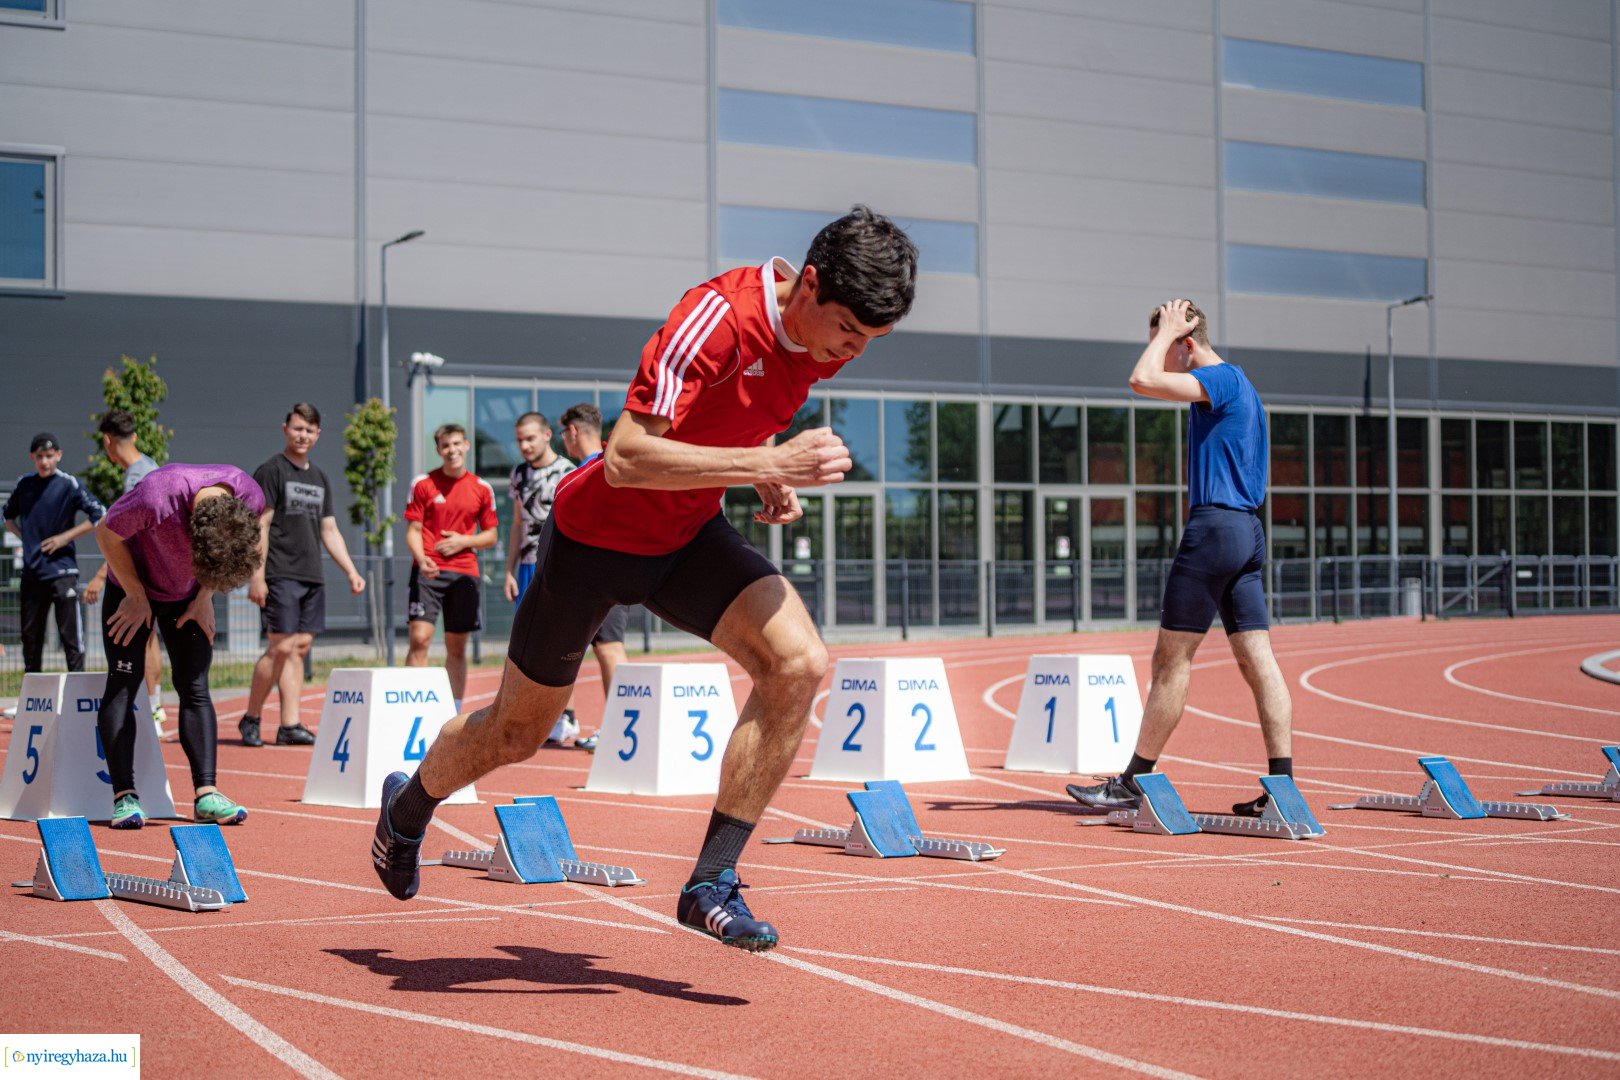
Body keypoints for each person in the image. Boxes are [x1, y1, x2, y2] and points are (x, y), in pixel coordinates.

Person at [370, 206, 917, 953]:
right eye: (851, 333)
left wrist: (761, 470)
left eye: (871, 343)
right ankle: (407, 807)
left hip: (687, 535)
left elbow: (733, 418)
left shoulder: (820, 343)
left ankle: (710, 884)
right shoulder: (717, 317)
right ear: (810, 286)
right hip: (593, 540)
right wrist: (768, 463)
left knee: (799, 663)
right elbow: (626, 456)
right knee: (516, 733)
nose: (852, 354)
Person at [1067, 299, 1295, 817]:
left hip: (1215, 528)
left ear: (1187, 342)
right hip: (1247, 531)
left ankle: (1132, 781)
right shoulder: (1241, 387)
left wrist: (1166, 331)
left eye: (1169, 346)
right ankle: (1283, 787)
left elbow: (1141, 381)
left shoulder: (1220, 380)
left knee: (1171, 660)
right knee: (1258, 660)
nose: (1161, 357)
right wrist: (1169, 334)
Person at [94, 463, 264, 828]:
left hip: (187, 595)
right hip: (132, 584)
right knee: (125, 680)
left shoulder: (250, 496)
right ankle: (125, 797)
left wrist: (205, 595)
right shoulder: (156, 496)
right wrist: (136, 595)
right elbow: (106, 534)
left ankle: (206, 795)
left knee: (195, 685)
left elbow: (234, 550)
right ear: (192, 532)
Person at [239, 403, 367, 747]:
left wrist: (352, 571)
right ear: (285, 429)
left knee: (300, 647)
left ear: (318, 435)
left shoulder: (319, 477)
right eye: (297, 429)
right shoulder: (271, 471)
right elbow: (259, 525)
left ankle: (289, 724)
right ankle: (251, 717)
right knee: (280, 646)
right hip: (280, 572)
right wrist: (257, 576)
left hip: (312, 574)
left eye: (309, 431)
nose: (303, 435)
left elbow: (330, 530)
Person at [498, 410, 589, 747]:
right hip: (526, 567)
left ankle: (567, 715)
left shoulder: (567, 471)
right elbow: (519, 524)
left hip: (556, 566)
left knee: (561, 641)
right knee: (527, 644)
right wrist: (509, 570)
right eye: (520, 439)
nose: (524, 445)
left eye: (530, 438)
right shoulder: (518, 474)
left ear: (548, 435)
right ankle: (529, 716)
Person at [555, 402, 631, 753]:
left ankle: (621, 728)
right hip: (601, 574)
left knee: (610, 650)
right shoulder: (604, 463)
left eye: (563, 434)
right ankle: (620, 728)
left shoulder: (599, 466)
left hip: (606, 573)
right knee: (602, 649)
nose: (563, 441)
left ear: (573, 432)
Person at [404, 424, 497, 710]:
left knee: (457, 647)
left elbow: (491, 535)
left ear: (466, 445)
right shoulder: (423, 483)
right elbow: (412, 530)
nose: (452, 450)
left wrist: (462, 542)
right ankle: (411, 707)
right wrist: (422, 560)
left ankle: (452, 710)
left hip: (464, 574)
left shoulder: (482, 488)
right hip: (428, 572)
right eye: (446, 446)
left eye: (457, 444)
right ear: (438, 450)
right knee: (420, 639)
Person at [82, 411, 165, 733]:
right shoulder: (151, 466)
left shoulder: (135, 477)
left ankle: (145, 710)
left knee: (136, 640)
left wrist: (102, 576)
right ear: (135, 435)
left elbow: (122, 536)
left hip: (139, 573)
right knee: (150, 640)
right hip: (158, 570)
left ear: (107, 441)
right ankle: (154, 707)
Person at [4, 433, 104, 673]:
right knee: (31, 639)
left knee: (71, 638)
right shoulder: (24, 485)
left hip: (63, 572)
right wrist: (25, 538)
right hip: (33, 573)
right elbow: (7, 517)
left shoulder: (68, 484)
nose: (45, 461)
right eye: (39, 457)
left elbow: (99, 514)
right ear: (32, 458)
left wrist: (65, 537)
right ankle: (31, 697)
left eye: (49, 456)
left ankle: (77, 692)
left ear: (58, 455)